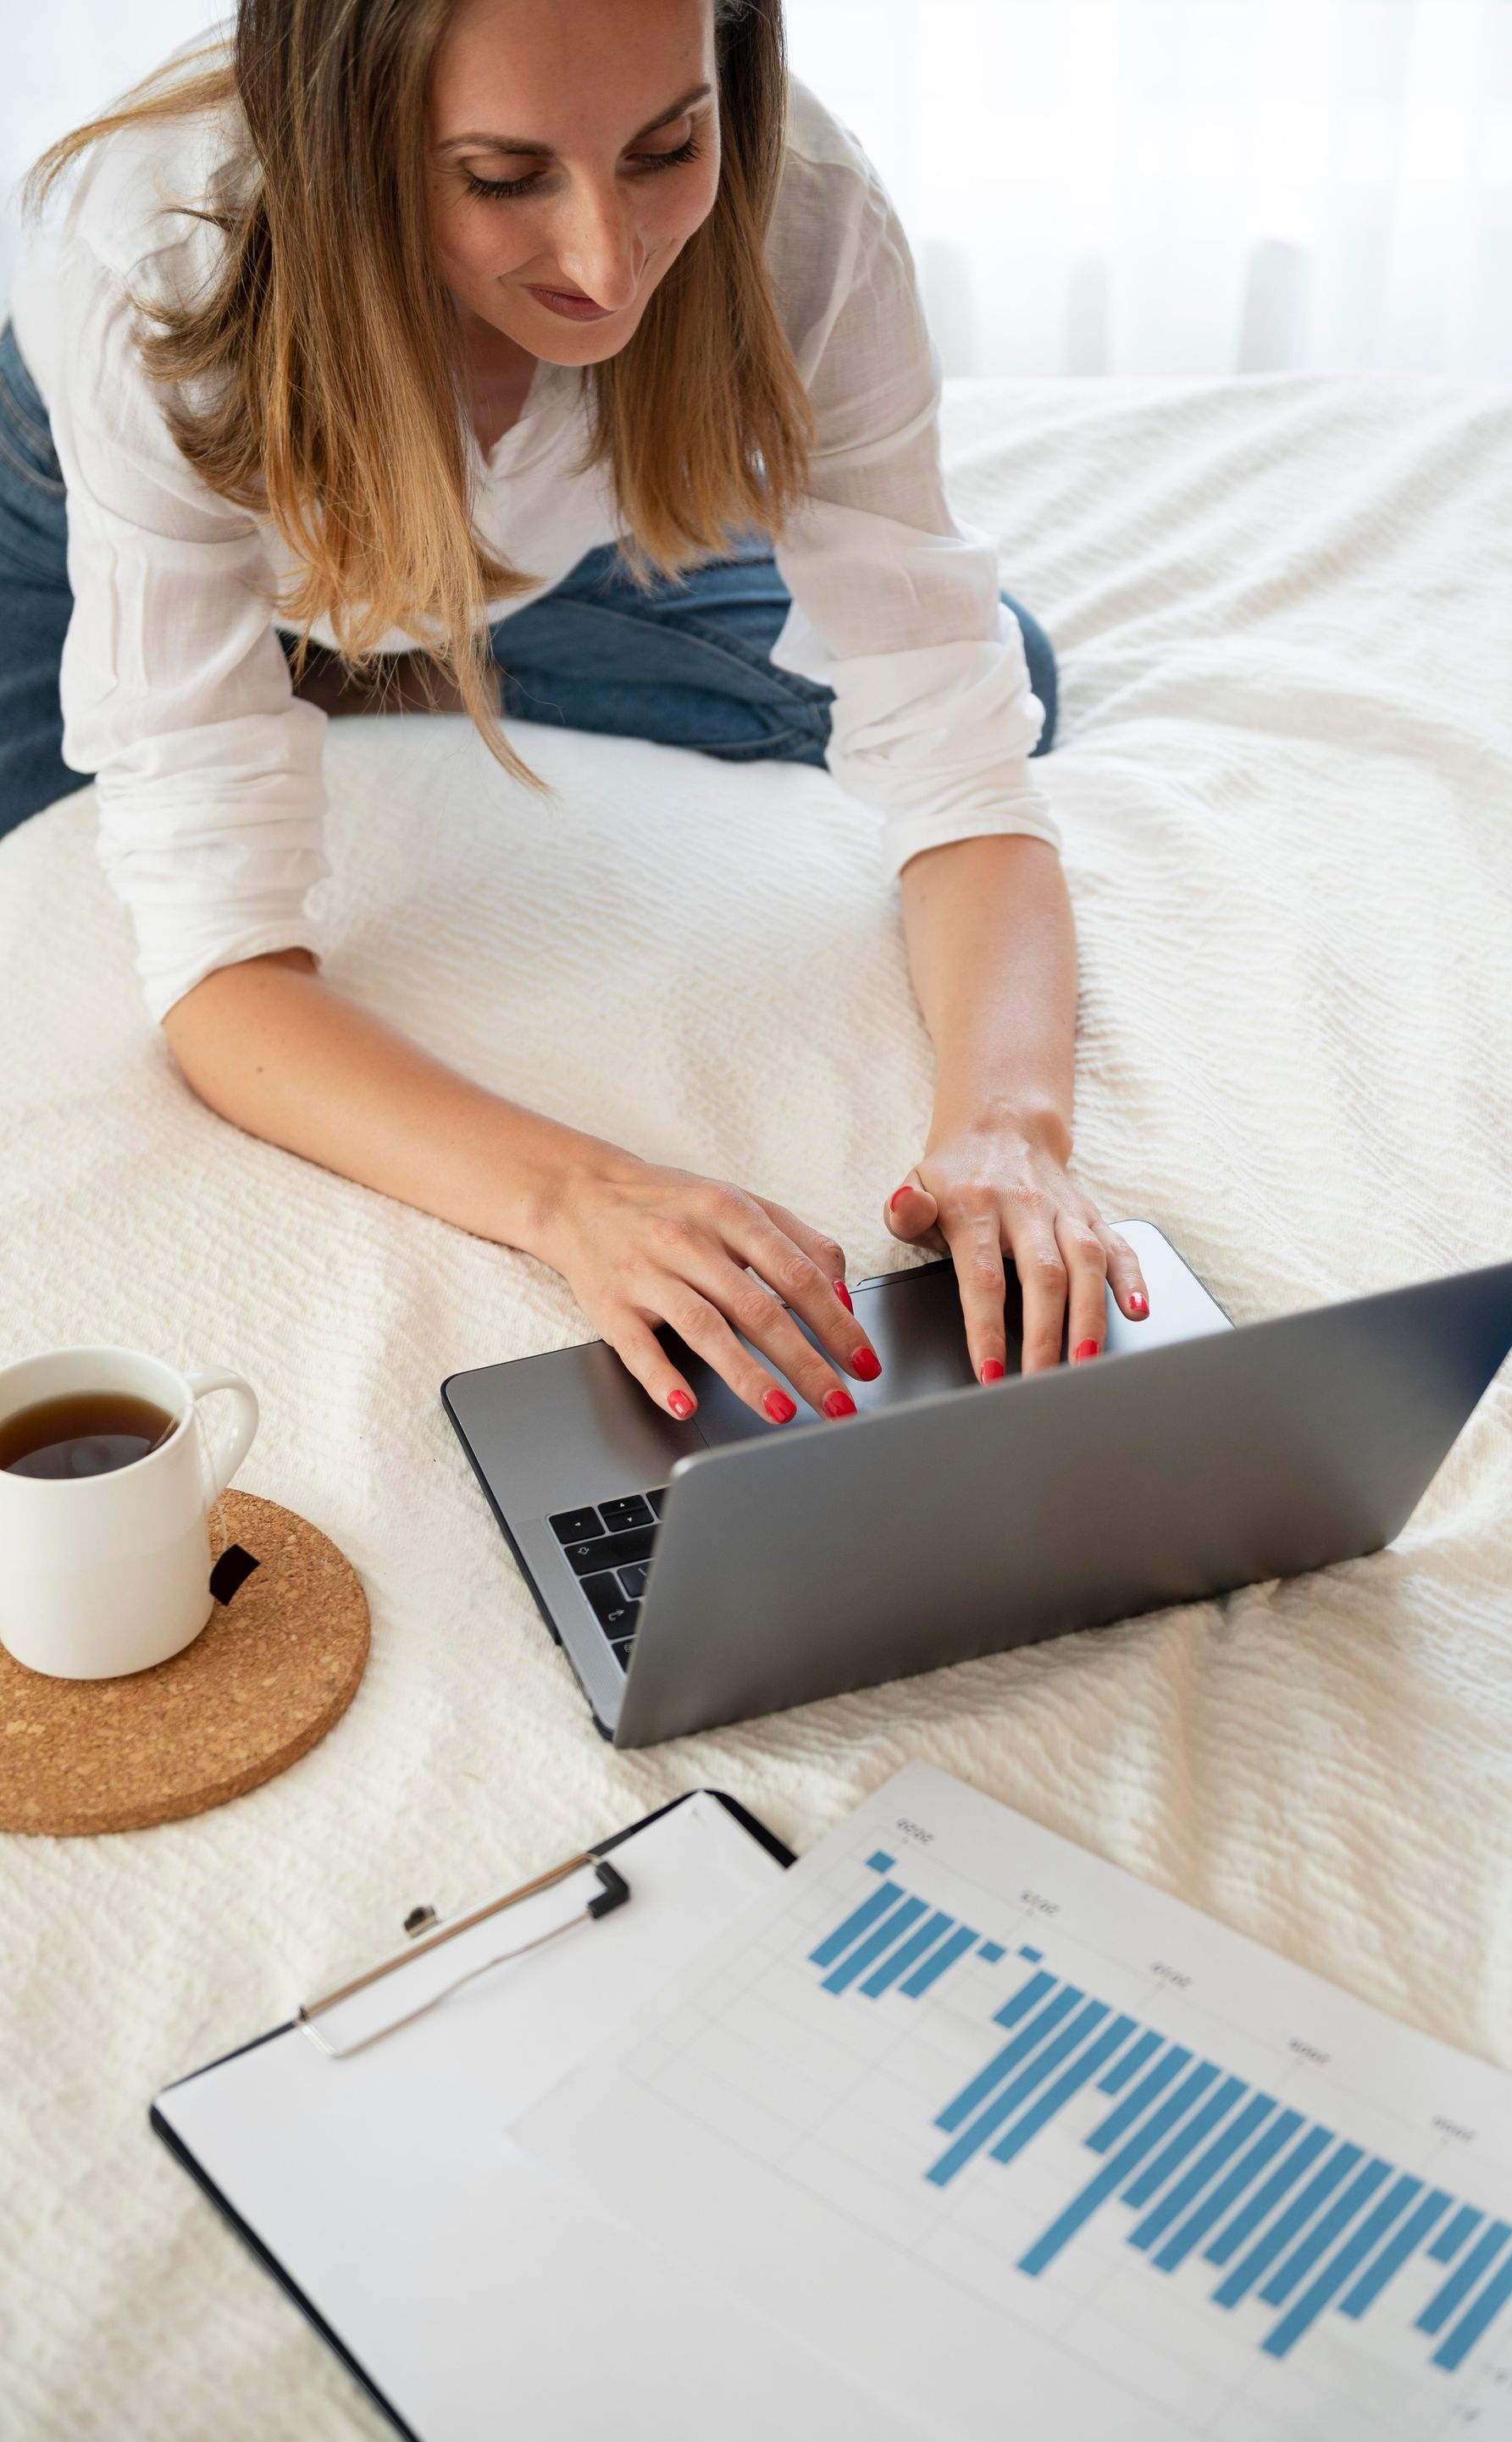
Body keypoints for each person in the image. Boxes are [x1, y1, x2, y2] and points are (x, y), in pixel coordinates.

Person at [3, 0, 1151, 1426]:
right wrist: (579, 1197)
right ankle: (323, 659)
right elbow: (221, 965)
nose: (610, 266)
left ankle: (370, 656)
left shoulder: (807, 213)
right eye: (503, 178)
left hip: (512, 561)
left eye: (667, 146)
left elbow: (963, 764)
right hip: (105, 513)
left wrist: (1010, 1129)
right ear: (345, 144)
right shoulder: (142, 257)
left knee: (1013, 663)